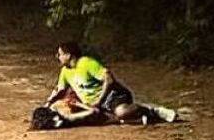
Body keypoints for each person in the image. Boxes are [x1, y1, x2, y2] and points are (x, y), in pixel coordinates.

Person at [42, 42, 178, 125]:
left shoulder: (87, 63)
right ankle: (139, 116)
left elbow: (109, 79)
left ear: (68, 55)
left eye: (60, 54)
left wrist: (99, 101)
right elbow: (60, 89)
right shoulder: (65, 71)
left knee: (121, 112)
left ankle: (151, 110)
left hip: (111, 96)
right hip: (93, 103)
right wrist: (47, 104)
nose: (58, 57)